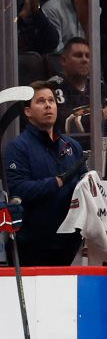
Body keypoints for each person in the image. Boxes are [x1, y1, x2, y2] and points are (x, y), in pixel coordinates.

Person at [4, 80, 88, 266]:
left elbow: (85, 188)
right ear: (28, 111)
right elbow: (18, 189)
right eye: (41, 101)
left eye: (51, 100)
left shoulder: (72, 146)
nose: (48, 105)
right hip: (32, 246)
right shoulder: (17, 148)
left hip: (68, 244)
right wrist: (57, 182)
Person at [48, 37, 107, 146]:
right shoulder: (53, 87)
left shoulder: (99, 86)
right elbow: (71, 124)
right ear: (63, 61)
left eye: (88, 56)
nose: (84, 60)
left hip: (101, 149)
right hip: (67, 150)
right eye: (78, 55)